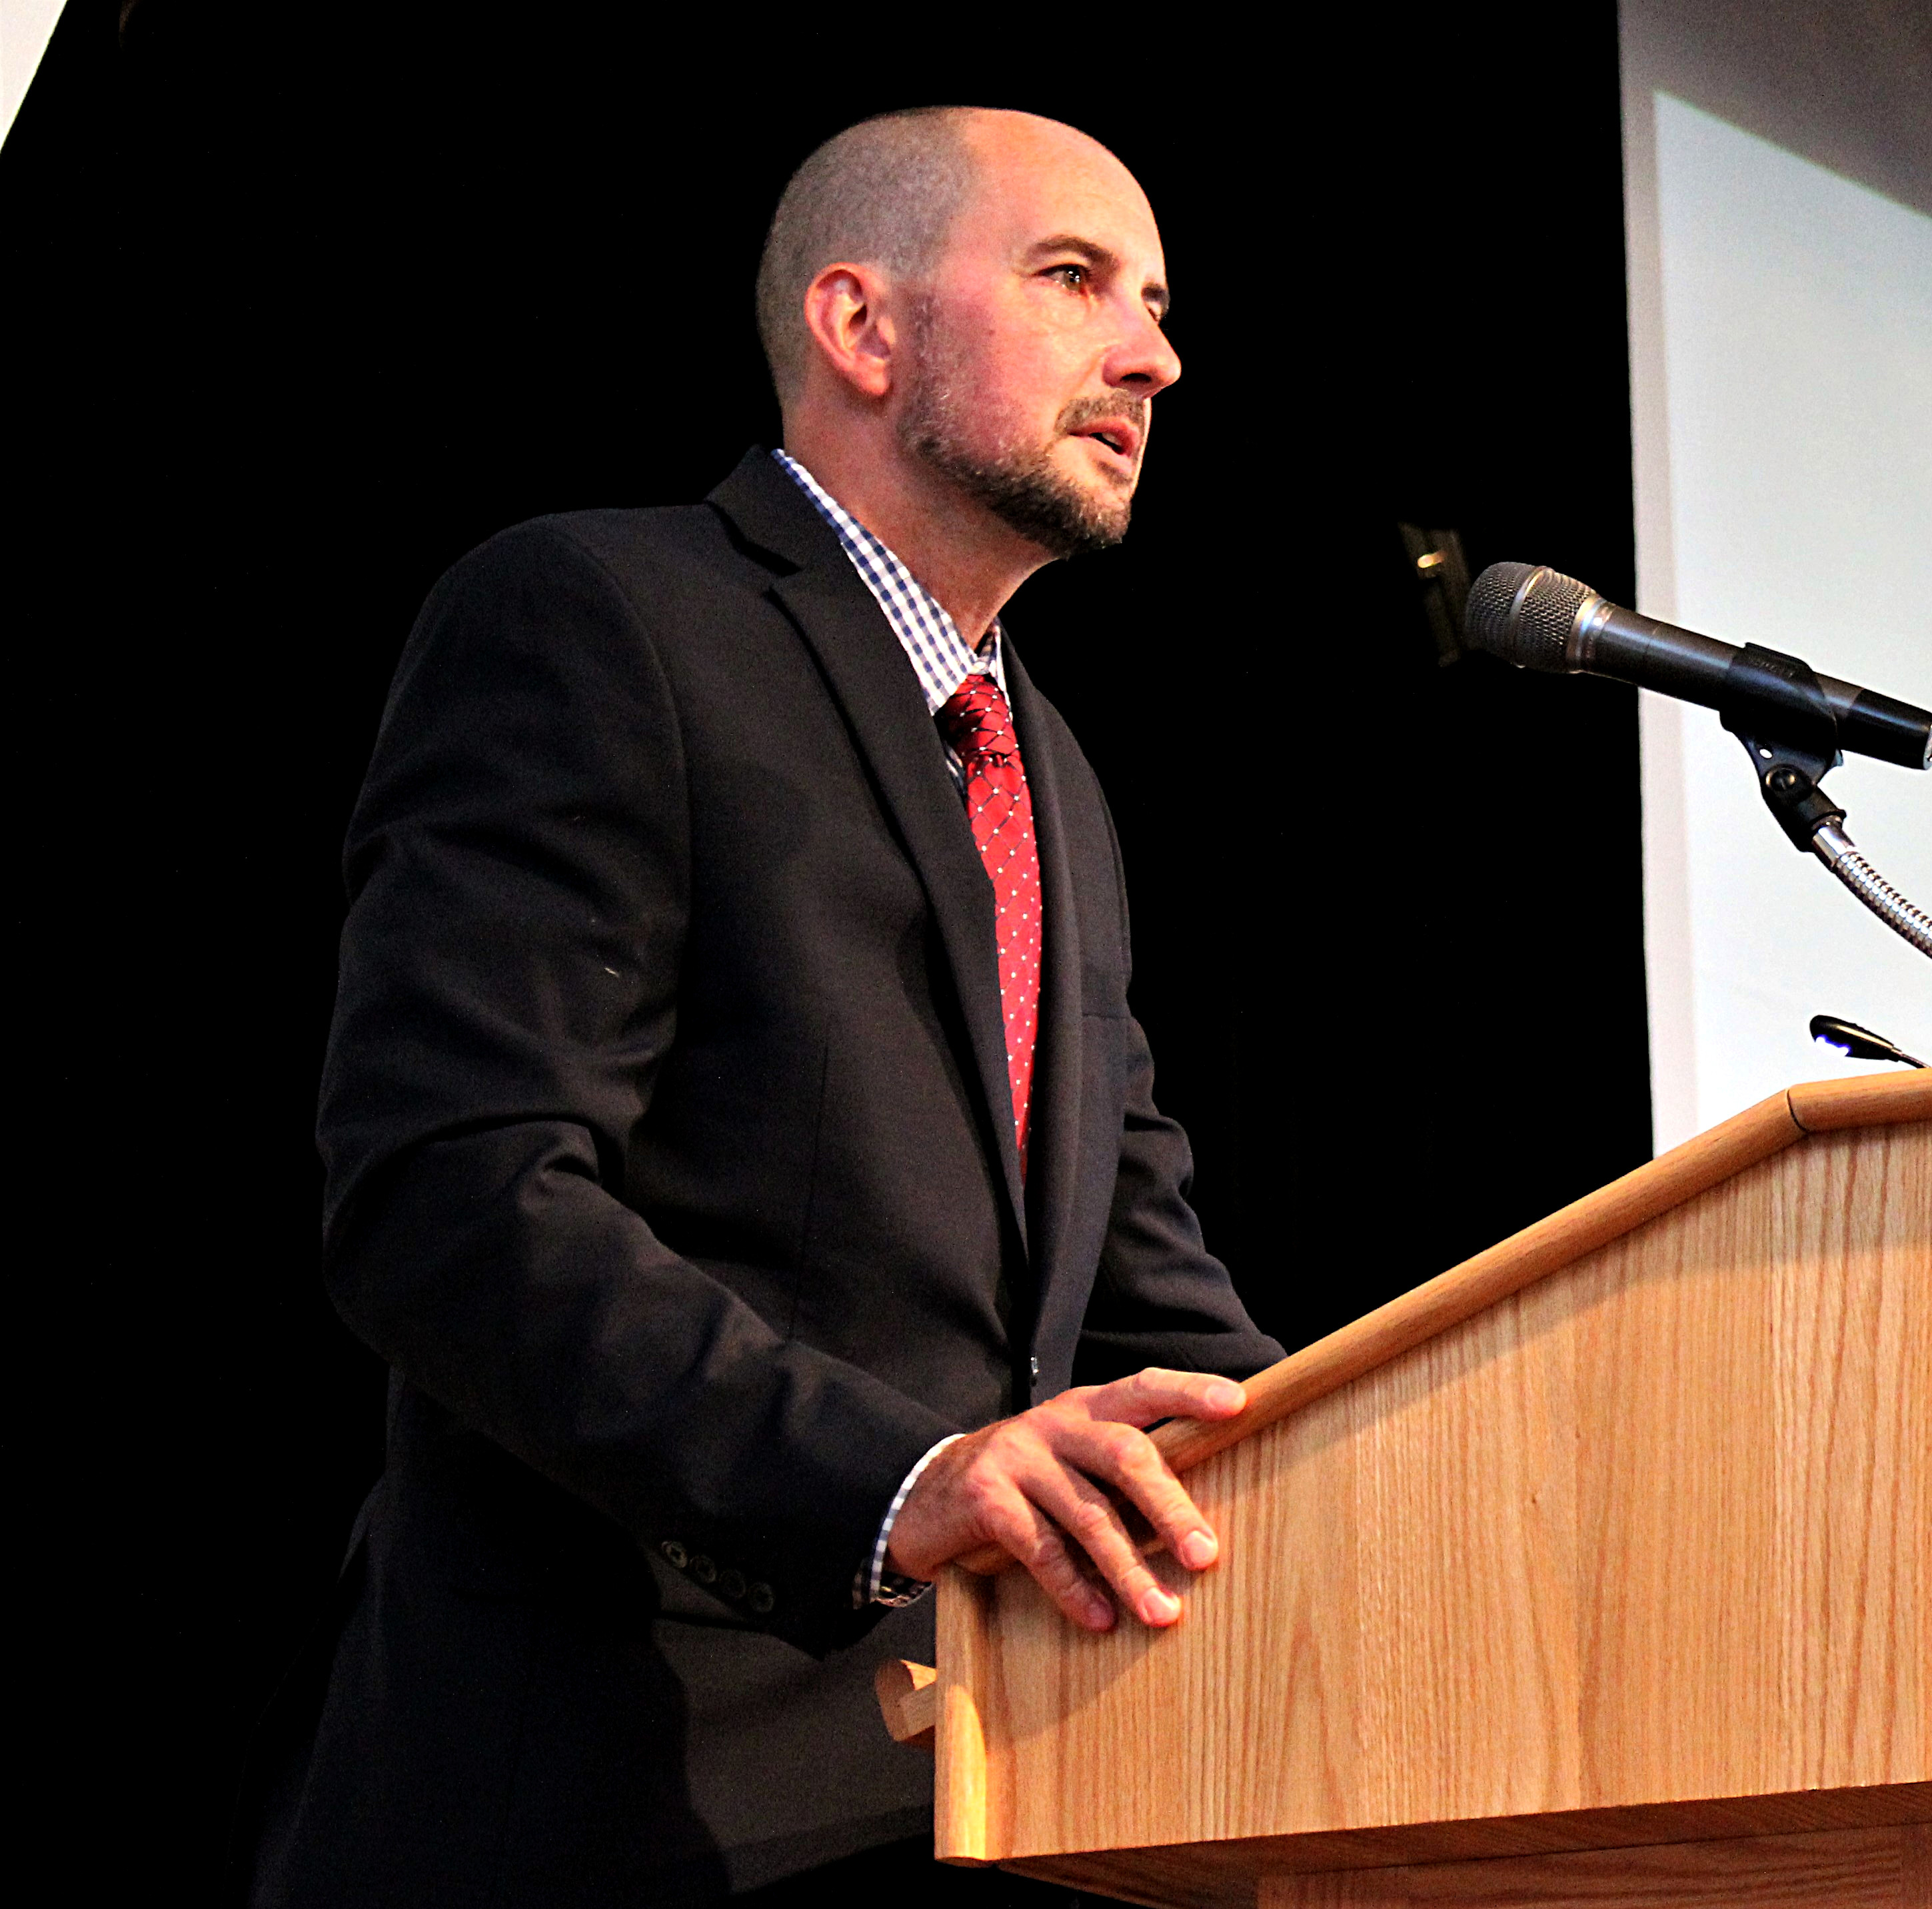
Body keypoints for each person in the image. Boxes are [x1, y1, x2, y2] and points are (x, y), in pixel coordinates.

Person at [253, 107, 1282, 1906]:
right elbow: (450, 1196)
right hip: (605, 1796)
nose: (1154, 352)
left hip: (976, 1799)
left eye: (1159, 301)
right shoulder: (598, 614)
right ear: (860, 324)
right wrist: (900, 1477)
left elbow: (1140, 1268)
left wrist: (1361, 1484)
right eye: (1074, 280)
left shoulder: (1053, 774)